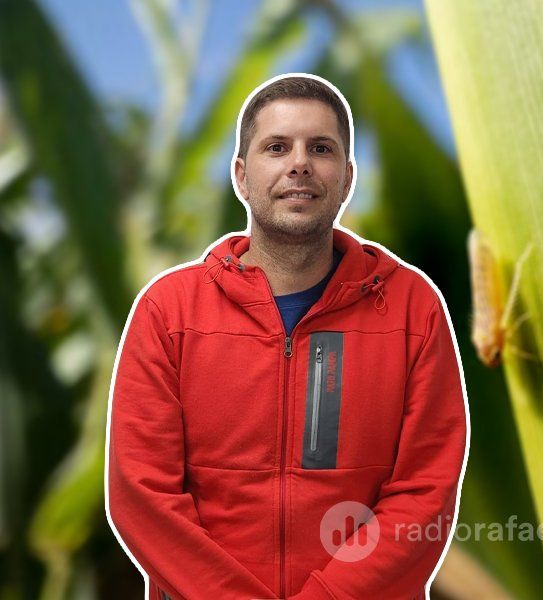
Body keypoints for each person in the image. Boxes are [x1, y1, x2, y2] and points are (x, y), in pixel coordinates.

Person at [105, 74, 469, 600]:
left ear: (346, 178)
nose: (299, 163)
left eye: (320, 149)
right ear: (241, 175)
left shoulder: (414, 308)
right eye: (277, 147)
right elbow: (143, 495)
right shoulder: (168, 311)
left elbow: (424, 493)